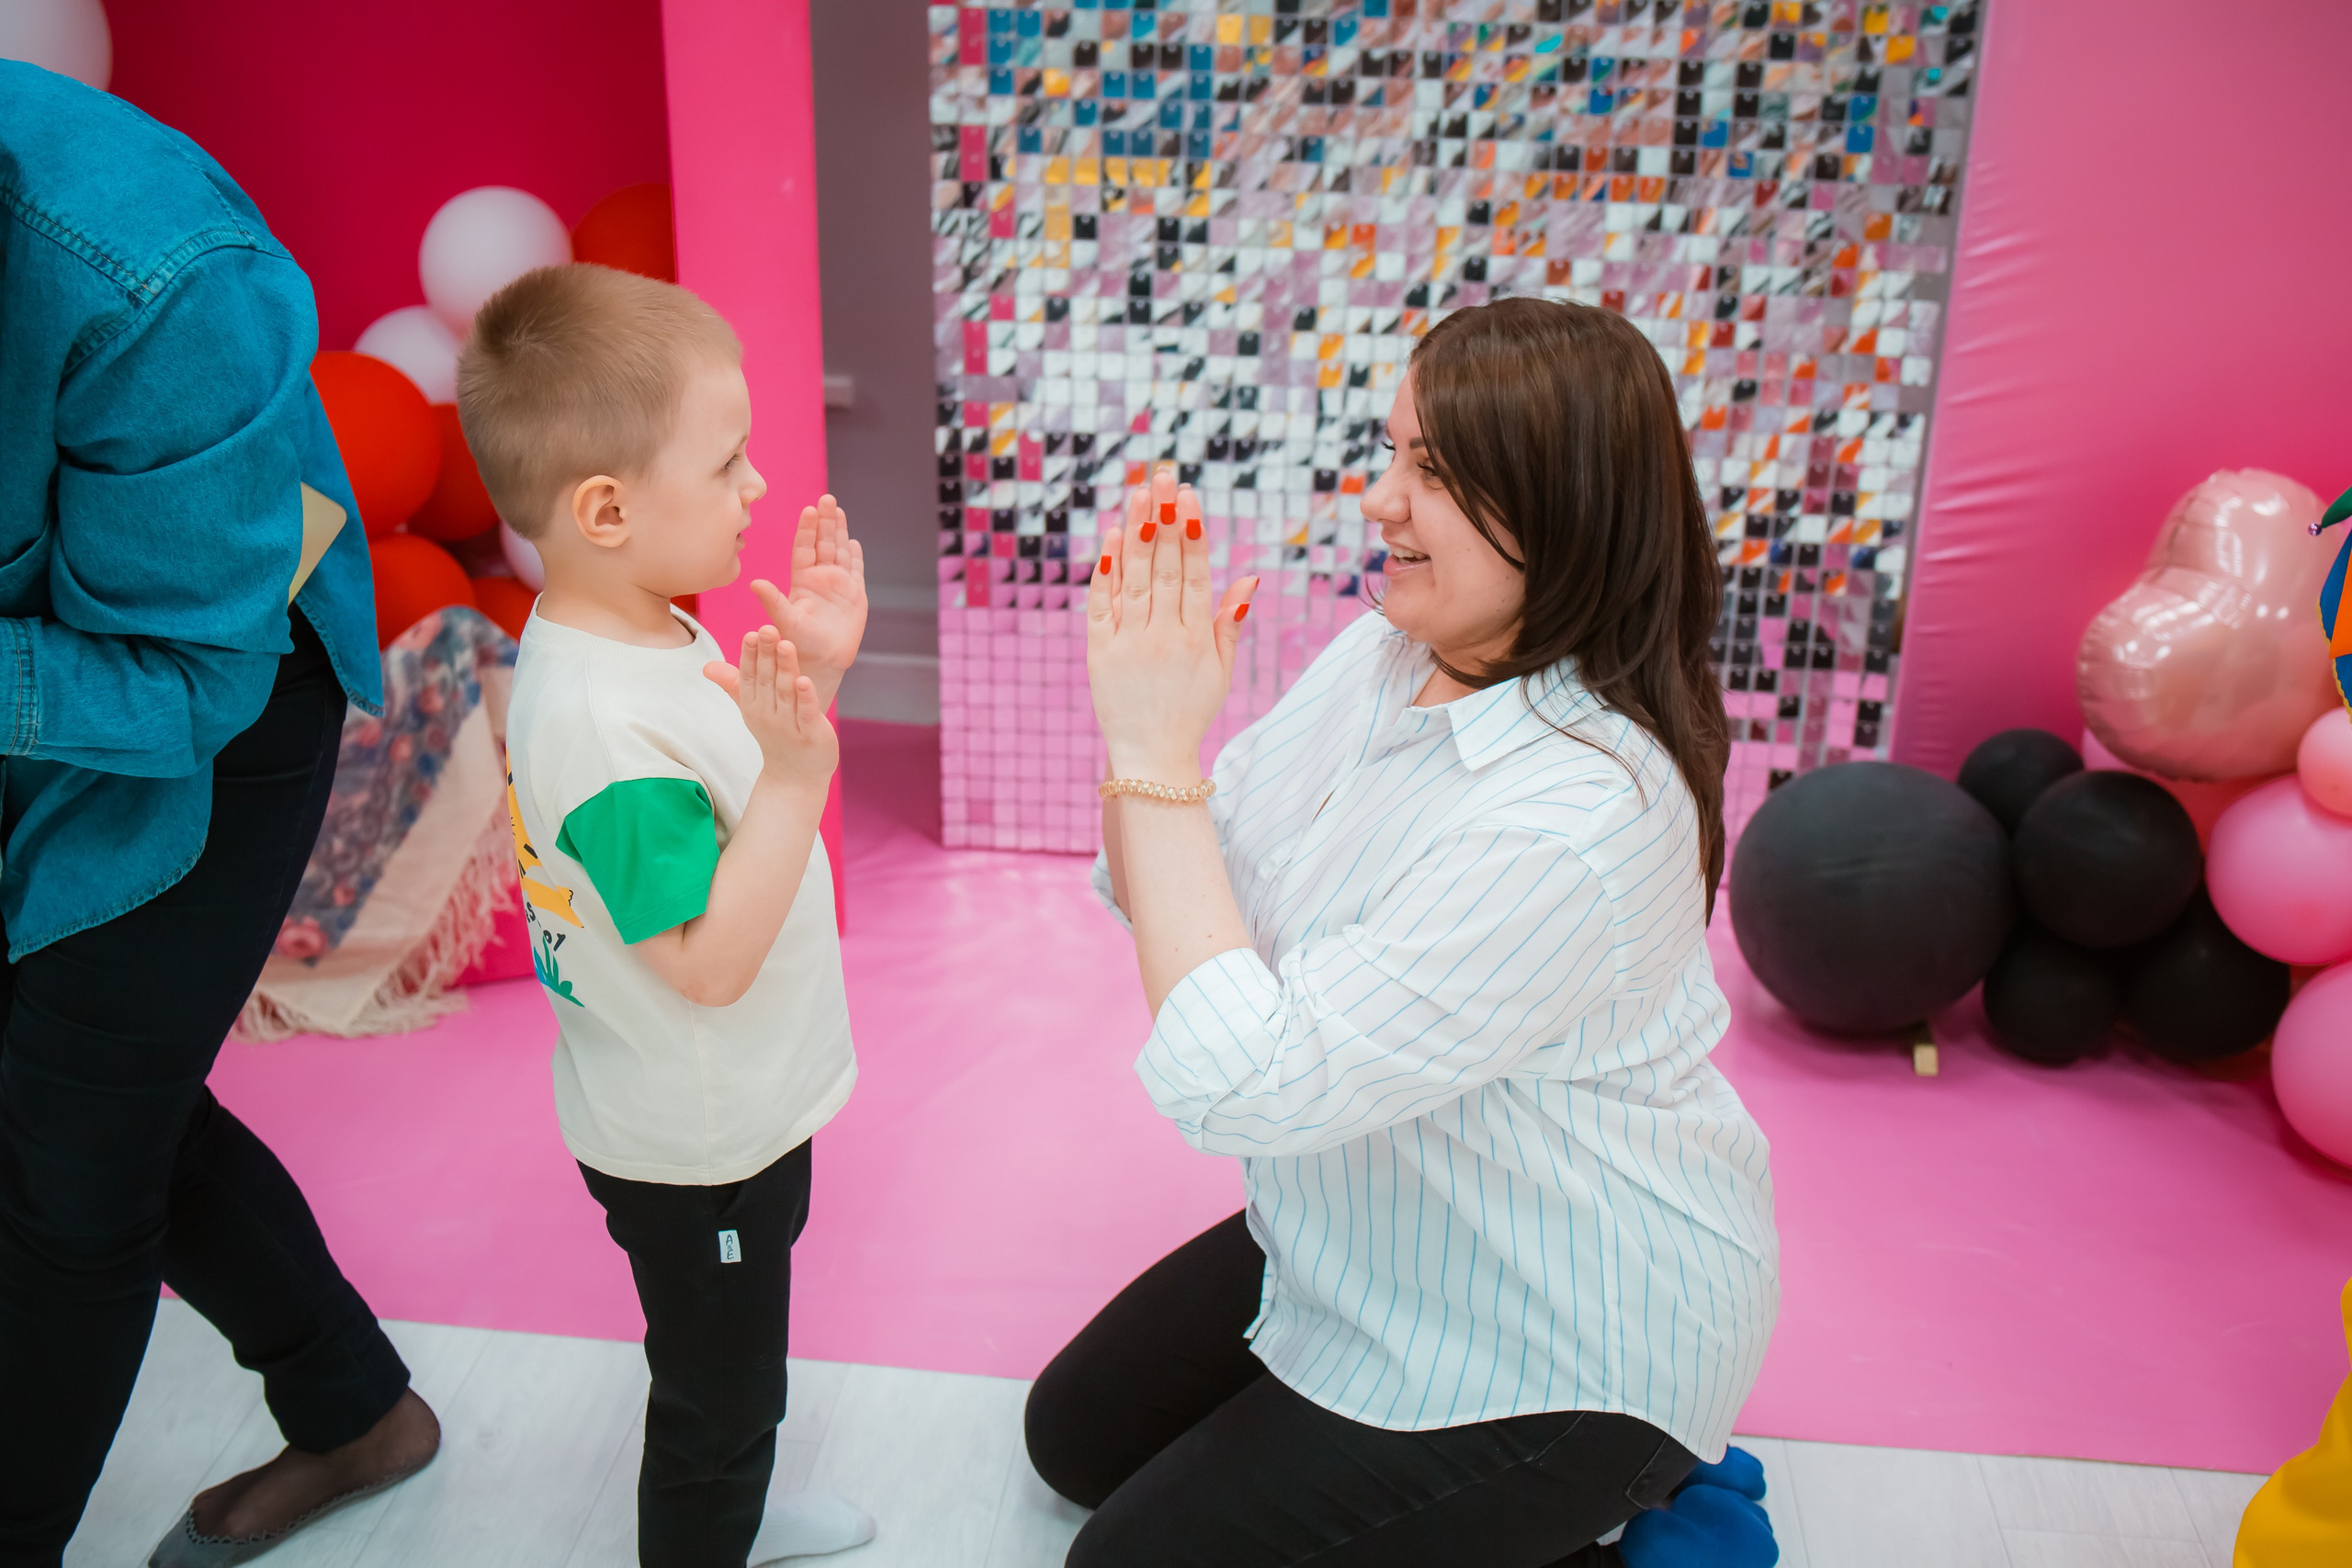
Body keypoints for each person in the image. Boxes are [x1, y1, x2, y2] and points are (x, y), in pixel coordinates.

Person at [1025, 297, 1781, 1567]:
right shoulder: (1386, 654)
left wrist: (1160, 753)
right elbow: (1163, 883)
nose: (1377, 500)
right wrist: (1141, 738)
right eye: (1392, 454)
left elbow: (1243, 1084)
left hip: (1557, 1332)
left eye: (1429, 471)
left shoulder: (1575, 815)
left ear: (1559, 507)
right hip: (1361, 1217)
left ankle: (1640, 1495)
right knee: (1072, 1441)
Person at [0, 62, 440, 1568]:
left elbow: (184, 681)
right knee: (94, 1096)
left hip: (213, 685)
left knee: (67, 1164)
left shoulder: (155, 272)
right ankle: (358, 1409)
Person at [463, 263, 875, 1568]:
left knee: (737, 1360)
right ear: (607, 509)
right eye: (731, 462)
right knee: (718, 1398)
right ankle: (714, 1518)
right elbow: (702, 963)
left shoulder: (649, 624)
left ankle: (735, 1502)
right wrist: (807, 773)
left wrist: (810, 678)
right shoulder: (602, 725)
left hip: (723, 1114)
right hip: (697, 1142)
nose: (759, 485)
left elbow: (740, 775)